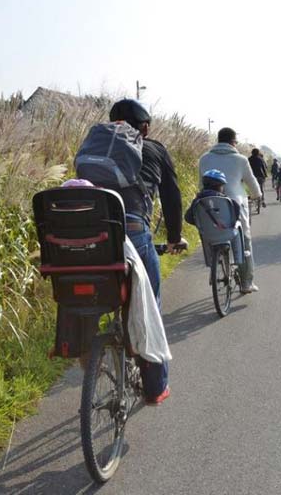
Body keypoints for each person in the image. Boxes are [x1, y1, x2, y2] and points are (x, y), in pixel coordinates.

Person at [107, 98, 187, 405]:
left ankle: (93, 348)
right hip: (134, 230)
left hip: (91, 232)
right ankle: (155, 388)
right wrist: (176, 237)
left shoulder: (95, 146)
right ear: (144, 127)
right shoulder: (154, 148)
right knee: (149, 306)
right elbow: (172, 197)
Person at [198, 127, 261, 293]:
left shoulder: (204, 159)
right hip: (235, 206)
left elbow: (200, 184)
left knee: (212, 234)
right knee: (244, 240)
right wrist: (257, 195)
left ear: (218, 141)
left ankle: (215, 267)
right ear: (233, 142)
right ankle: (247, 283)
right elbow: (252, 183)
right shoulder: (240, 160)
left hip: (209, 206)